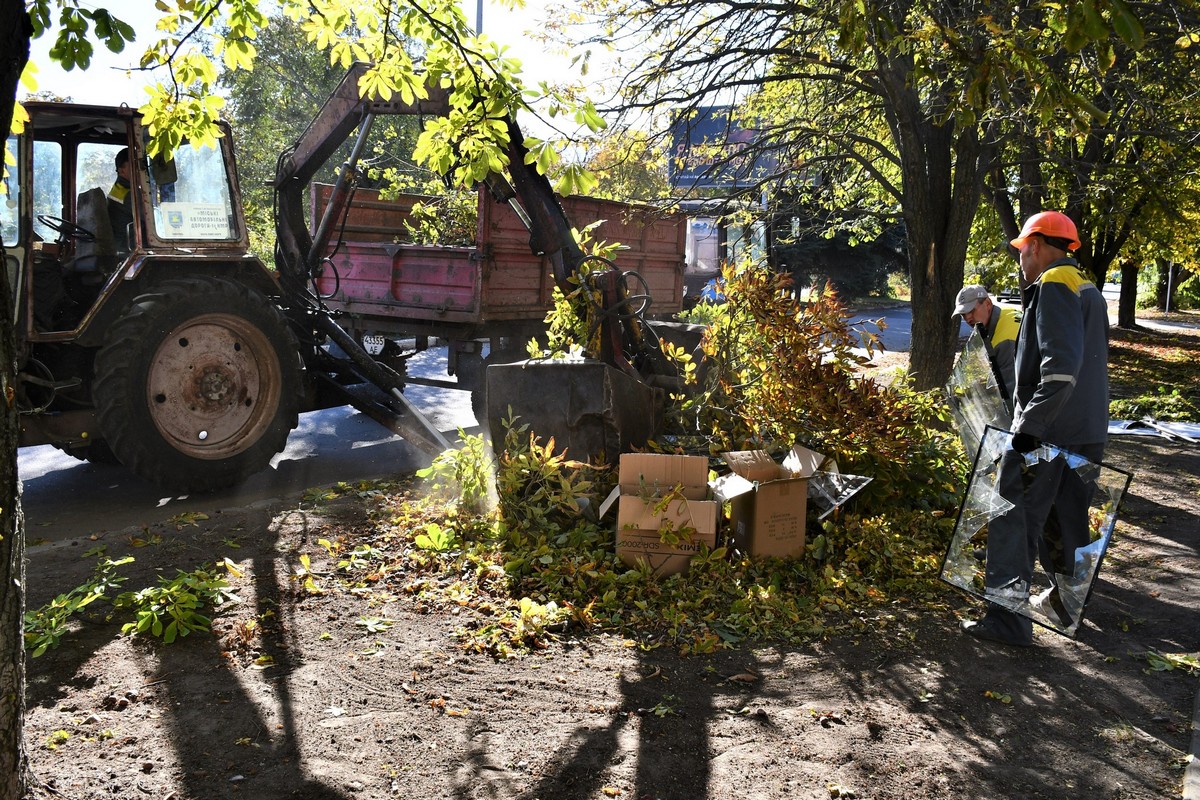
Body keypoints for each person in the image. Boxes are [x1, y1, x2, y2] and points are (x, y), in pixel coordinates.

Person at [961, 210, 1109, 646]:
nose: (1020, 259)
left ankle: (1007, 622)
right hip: (1087, 429)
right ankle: (1067, 603)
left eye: (1022, 250)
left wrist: (1028, 428)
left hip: (1048, 431)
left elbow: (1060, 371)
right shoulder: (1089, 288)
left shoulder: (1052, 285)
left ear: (1038, 245)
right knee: (1068, 521)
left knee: (1012, 516)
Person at [952, 284, 1022, 404]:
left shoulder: (1006, 341)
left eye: (971, 310)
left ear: (988, 304)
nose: (968, 318)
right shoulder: (1005, 314)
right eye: (963, 314)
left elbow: (1011, 396)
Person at [107, 147, 135, 249]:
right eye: (134, 166)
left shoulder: (119, 189)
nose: (139, 169)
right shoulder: (128, 194)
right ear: (122, 171)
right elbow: (155, 222)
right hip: (128, 250)